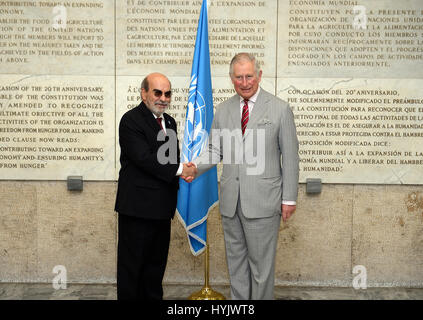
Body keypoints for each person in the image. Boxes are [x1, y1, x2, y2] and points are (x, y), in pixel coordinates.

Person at [192, 53, 299, 300]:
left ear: (259, 75)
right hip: (231, 202)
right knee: (237, 266)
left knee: (261, 269)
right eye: (239, 77)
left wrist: (289, 199)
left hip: (264, 202)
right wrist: (193, 168)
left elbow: (290, 157)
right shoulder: (223, 109)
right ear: (232, 79)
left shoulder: (280, 109)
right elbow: (214, 150)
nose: (245, 82)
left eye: (249, 76)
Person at [114, 72, 196, 300]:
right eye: (157, 92)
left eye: (167, 94)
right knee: (132, 272)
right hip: (138, 210)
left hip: (161, 209)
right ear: (144, 93)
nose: (163, 98)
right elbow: (144, 159)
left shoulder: (169, 122)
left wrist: (184, 168)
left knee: (154, 271)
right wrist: (181, 170)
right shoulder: (131, 120)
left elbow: (170, 161)